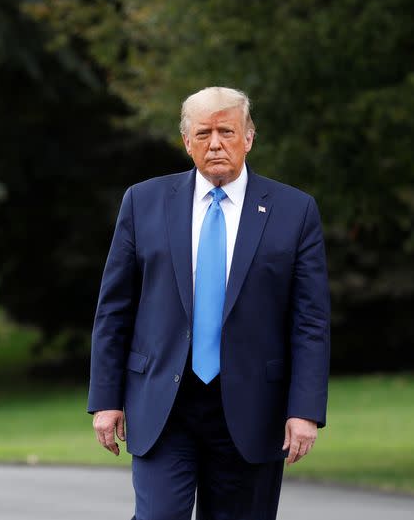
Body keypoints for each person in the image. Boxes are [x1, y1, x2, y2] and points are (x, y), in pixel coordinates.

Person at [88, 86, 330, 520]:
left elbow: (310, 321)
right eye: (203, 133)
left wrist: (305, 411)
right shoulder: (143, 202)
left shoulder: (295, 211)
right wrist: (106, 400)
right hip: (163, 403)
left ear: (248, 137)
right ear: (186, 142)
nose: (215, 143)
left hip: (254, 407)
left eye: (226, 131)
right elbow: (114, 310)